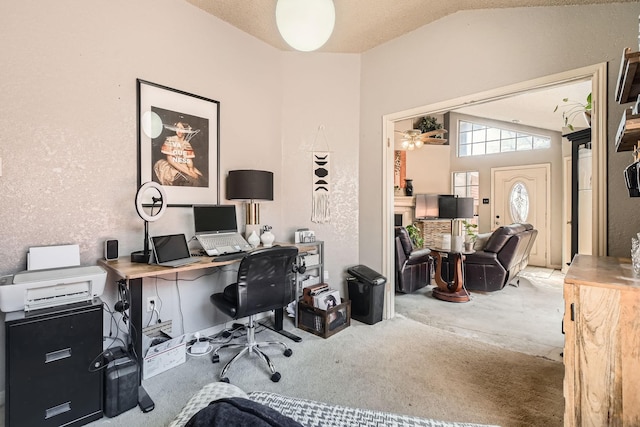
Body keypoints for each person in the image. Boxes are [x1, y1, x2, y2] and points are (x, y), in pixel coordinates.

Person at [153, 121, 204, 186]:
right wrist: (188, 172)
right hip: (171, 166)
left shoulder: (186, 144)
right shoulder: (170, 140)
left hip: (182, 164)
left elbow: (189, 160)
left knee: (200, 178)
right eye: (177, 128)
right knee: (191, 181)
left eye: (181, 128)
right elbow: (170, 160)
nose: (179, 130)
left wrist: (191, 169)